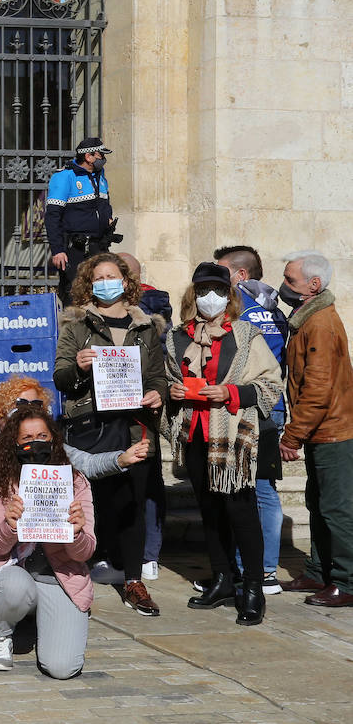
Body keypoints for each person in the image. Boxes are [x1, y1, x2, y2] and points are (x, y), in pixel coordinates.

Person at [0, 376, 144, 609]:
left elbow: (86, 462)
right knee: (2, 595)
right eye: (22, 403)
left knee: (35, 599)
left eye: (37, 405)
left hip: (38, 540)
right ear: (5, 409)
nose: (30, 409)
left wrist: (120, 459)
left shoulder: (49, 444)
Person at [163, 263, 282, 626]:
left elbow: (270, 384)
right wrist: (173, 391)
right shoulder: (177, 337)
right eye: (202, 291)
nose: (209, 298)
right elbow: (168, 378)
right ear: (192, 295)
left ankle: (253, 589)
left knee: (241, 512)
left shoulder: (245, 334)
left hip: (232, 438)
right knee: (210, 511)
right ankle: (222, 579)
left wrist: (230, 391)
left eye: (216, 290)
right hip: (195, 434)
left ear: (227, 295)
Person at [54, 252, 166, 616]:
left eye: (112, 276)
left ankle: (133, 579)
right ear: (89, 283)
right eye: (98, 277)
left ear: (126, 281)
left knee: (133, 502)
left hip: (134, 426)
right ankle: (79, 570)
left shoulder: (147, 327)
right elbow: (61, 378)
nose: (105, 282)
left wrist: (157, 394)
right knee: (91, 501)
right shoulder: (76, 325)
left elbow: (157, 377)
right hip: (90, 426)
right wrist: (79, 366)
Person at [0, 406, 95, 678]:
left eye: (42, 435)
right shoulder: (0, 482)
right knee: (12, 585)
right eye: (27, 439)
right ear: (14, 444)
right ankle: (2, 633)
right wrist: (9, 525)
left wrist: (76, 531)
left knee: (63, 668)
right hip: (16, 572)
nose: (35, 443)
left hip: (60, 576)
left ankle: (44, 620)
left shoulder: (75, 481)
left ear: (53, 438)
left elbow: (86, 551)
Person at [277, 250, 353, 607]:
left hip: (333, 433)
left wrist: (294, 434)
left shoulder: (320, 322)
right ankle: (319, 571)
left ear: (314, 284)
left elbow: (318, 387)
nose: (284, 286)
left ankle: (347, 581)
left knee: (336, 509)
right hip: (322, 431)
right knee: (318, 503)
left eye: (291, 280)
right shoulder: (307, 317)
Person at [216, 244, 290, 594]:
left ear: (240, 275)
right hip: (273, 403)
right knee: (264, 487)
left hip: (245, 402)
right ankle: (263, 569)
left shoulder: (237, 308)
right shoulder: (274, 308)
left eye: (222, 271)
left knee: (252, 487)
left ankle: (258, 571)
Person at [116, 251, 170, 581]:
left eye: (121, 274)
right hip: (107, 409)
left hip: (143, 409)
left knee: (147, 481)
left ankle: (149, 553)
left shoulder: (154, 305)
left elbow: (158, 354)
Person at [45, 137, 116, 305]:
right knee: (75, 293)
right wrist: (57, 250)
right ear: (88, 157)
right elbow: (52, 216)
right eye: (100, 155)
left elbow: (104, 204)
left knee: (102, 293)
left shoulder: (100, 176)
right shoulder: (65, 177)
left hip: (99, 246)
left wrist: (108, 219)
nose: (103, 159)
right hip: (75, 248)